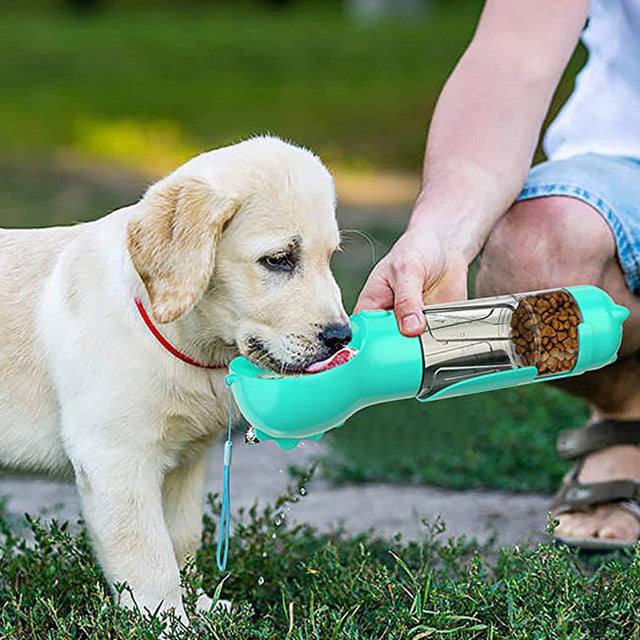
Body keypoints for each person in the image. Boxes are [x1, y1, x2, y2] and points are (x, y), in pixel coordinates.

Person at [355, 0, 640, 549]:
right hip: (625, 157)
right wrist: (443, 233)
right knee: (538, 260)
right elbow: (512, 61)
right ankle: (628, 412)